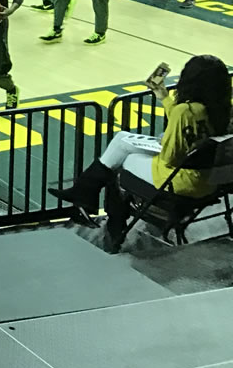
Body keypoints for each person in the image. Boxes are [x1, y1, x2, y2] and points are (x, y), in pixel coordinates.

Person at [51, 56, 230, 251]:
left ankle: (113, 227)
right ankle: (84, 196)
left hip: (178, 181)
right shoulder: (223, 109)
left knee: (121, 162)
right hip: (210, 181)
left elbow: (170, 157)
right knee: (122, 140)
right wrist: (163, 97)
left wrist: (164, 141)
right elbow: (188, 125)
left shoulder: (184, 111)